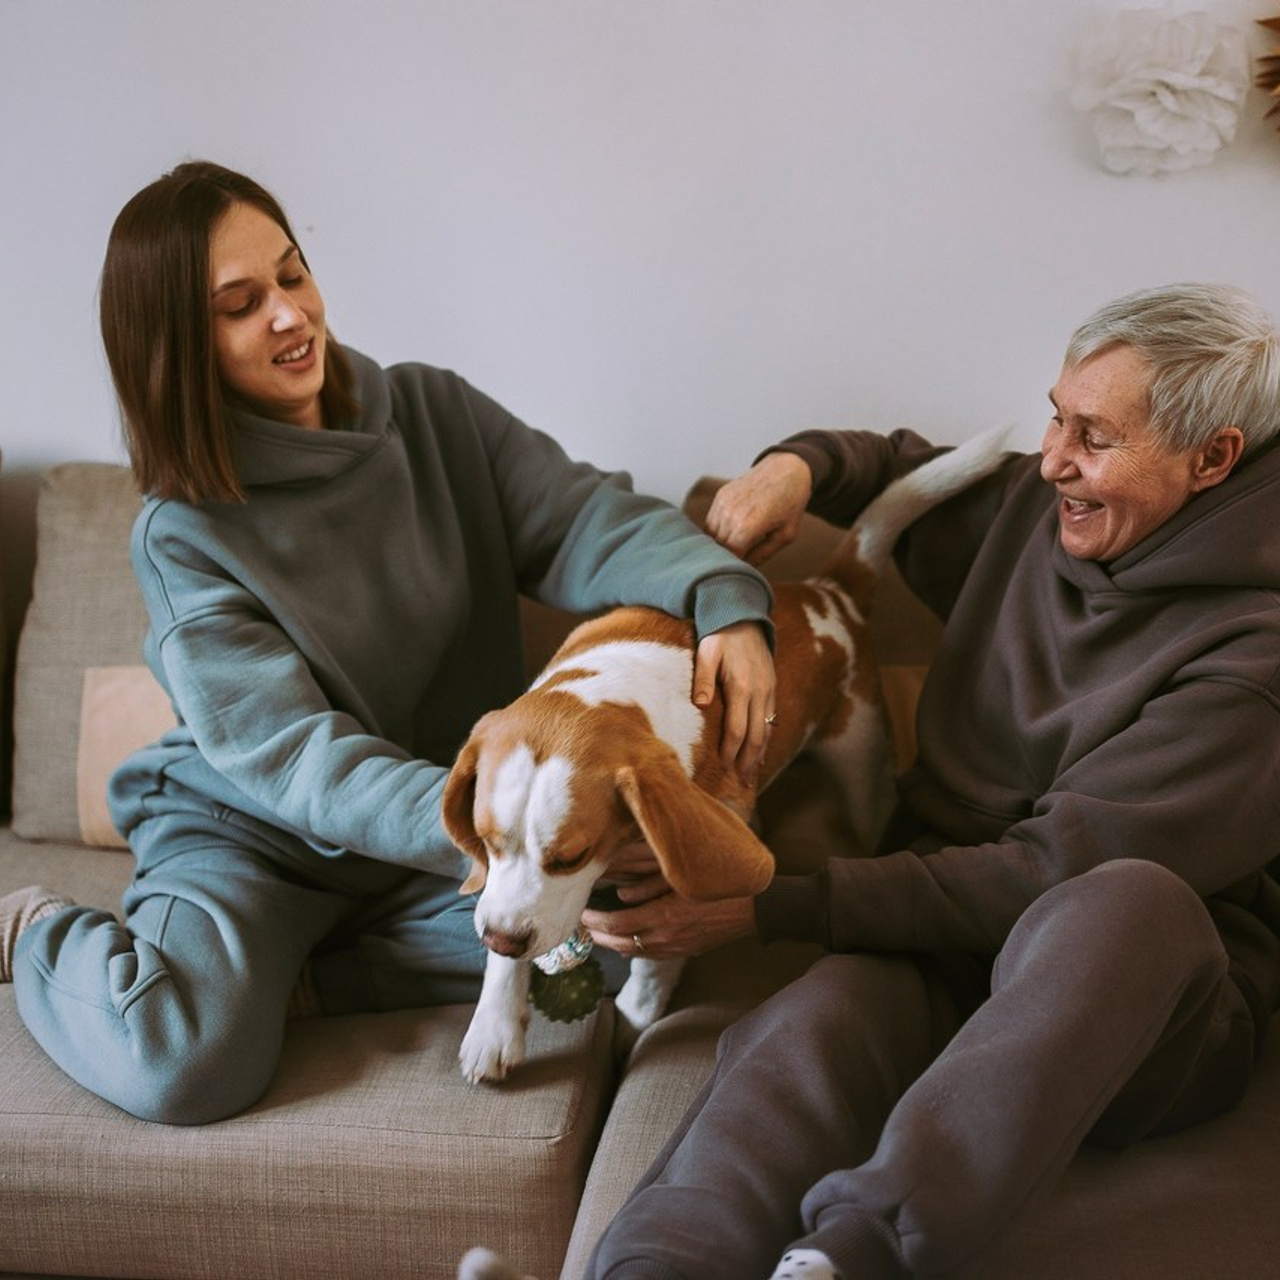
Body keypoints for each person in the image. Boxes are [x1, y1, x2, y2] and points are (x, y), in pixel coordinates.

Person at [463, 282, 1280, 1280]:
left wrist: (768, 903)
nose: (1053, 458)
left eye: (1093, 436)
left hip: (1139, 996)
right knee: (813, 1020)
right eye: (1054, 416)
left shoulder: (1254, 657)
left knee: (1123, 896)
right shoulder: (1049, 507)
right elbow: (897, 468)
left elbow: (1044, 872)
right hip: (944, 934)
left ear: (1212, 459)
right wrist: (792, 468)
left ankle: (852, 1258)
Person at [0, 160, 777, 1125]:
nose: (291, 315)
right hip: (254, 837)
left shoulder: (434, 413)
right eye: (241, 305)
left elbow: (589, 522)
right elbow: (300, 764)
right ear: (177, 349)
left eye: (292, 274)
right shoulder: (180, 537)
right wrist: (494, 824)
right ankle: (35, 932)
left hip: (448, 846)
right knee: (181, 1066)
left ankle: (309, 980)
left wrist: (725, 599)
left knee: (622, 946)